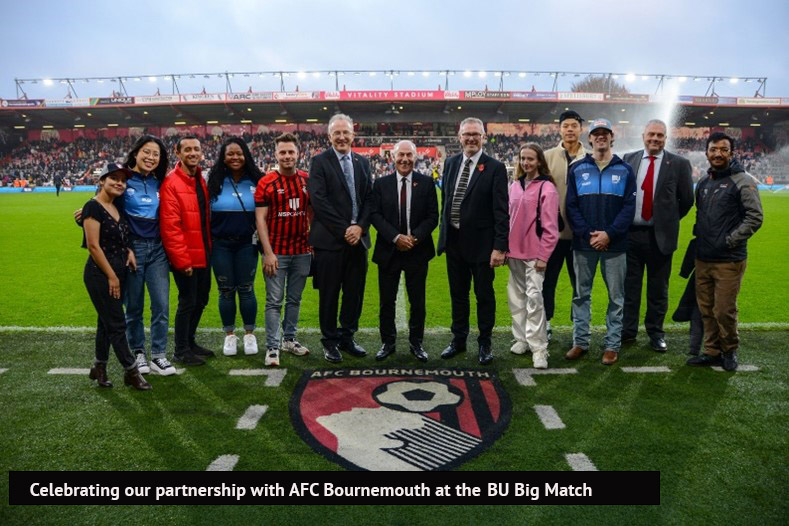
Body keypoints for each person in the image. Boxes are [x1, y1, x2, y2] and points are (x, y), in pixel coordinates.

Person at [75, 135, 176, 376]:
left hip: (158, 249)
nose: (151, 157)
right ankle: (138, 352)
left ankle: (159, 356)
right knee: (134, 305)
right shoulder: (124, 178)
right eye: (146, 152)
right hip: (132, 250)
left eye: (156, 154)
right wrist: (85, 215)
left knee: (161, 304)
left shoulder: (159, 181)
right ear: (136, 153)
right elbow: (103, 206)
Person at [687, 132, 763, 371]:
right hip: (703, 258)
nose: (717, 154)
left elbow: (755, 217)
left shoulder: (743, 180)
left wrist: (730, 240)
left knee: (724, 310)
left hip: (729, 260)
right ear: (707, 152)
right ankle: (711, 351)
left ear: (732, 153)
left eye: (723, 149)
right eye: (713, 149)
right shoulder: (704, 183)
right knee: (706, 308)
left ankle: (729, 350)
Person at [436, 117, 509, 365]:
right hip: (454, 243)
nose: (471, 139)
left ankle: (485, 342)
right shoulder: (451, 163)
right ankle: (458, 340)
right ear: (459, 137)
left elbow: (501, 211)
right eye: (466, 134)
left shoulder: (495, 167)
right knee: (458, 295)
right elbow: (446, 201)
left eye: (476, 135)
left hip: (482, 245)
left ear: (483, 138)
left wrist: (499, 247)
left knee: (484, 295)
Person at [564, 118, 636, 365]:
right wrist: (588, 234)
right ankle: (580, 342)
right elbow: (571, 207)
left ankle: (612, 345)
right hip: (584, 244)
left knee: (616, 297)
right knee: (581, 295)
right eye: (597, 133)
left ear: (611, 137)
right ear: (590, 138)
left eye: (605, 133)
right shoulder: (577, 169)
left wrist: (609, 234)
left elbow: (629, 208)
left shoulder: (625, 170)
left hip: (615, 245)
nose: (601, 137)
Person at [622, 120, 694, 352]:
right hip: (631, 235)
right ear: (643, 135)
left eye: (660, 135)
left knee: (658, 290)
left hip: (660, 238)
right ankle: (627, 331)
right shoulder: (628, 159)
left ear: (666, 138)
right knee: (629, 289)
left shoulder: (679, 164)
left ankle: (655, 333)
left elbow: (686, 201)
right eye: (651, 134)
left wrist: (666, 222)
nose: (655, 138)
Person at [307, 114, 373, 363]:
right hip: (330, 242)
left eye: (346, 132)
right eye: (337, 133)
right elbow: (319, 201)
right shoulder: (319, 162)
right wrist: (347, 229)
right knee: (330, 293)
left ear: (353, 135)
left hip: (359, 240)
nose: (342, 137)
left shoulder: (362, 162)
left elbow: (369, 198)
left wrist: (361, 227)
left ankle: (347, 337)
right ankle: (330, 341)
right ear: (329, 136)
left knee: (354, 293)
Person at [81, 163, 150, 390]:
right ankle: (131, 371)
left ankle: (99, 367)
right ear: (102, 181)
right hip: (101, 274)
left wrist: (129, 251)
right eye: (114, 178)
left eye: (122, 180)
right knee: (118, 324)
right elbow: (93, 246)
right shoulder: (93, 207)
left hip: (119, 271)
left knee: (106, 323)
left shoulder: (115, 207)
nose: (119, 183)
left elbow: (121, 238)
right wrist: (112, 276)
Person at [370, 140, 439, 362]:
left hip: (417, 251)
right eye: (401, 155)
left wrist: (414, 238)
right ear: (392, 157)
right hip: (388, 251)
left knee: (417, 301)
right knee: (386, 301)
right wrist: (396, 237)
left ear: (416, 157)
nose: (405, 159)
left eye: (409, 155)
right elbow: (375, 216)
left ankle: (416, 343)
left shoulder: (427, 183)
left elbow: (432, 217)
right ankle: (387, 343)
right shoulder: (381, 184)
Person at [255, 133, 313, 367]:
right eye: (283, 152)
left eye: (291, 152)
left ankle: (289, 339)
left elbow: (312, 212)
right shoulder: (266, 183)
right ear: (275, 154)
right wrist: (267, 253)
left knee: (295, 299)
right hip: (276, 252)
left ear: (298, 153)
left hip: (302, 251)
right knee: (274, 301)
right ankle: (272, 346)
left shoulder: (307, 180)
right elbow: (260, 220)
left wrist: (313, 243)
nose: (287, 156)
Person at [160, 136, 215, 366]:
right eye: (188, 149)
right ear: (178, 153)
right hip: (186, 258)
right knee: (187, 301)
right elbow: (171, 227)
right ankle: (180, 350)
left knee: (201, 300)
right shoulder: (171, 183)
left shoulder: (199, 179)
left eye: (197, 149)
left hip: (204, 253)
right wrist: (182, 261)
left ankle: (190, 342)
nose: (193, 153)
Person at [207, 138, 262, 357]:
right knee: (226, 290)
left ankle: (249, 334)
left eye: (239, 153)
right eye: (230, 154)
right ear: (223, 157)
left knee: (246, 289)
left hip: (247, 244)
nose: (235, 158)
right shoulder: (214, 181)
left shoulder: (257, 180)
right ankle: (229, 335)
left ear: (246, 155)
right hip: (220, 245)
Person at [507, 143, 559, 369]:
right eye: (522, 159)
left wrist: (544, 256)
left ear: (539, 161)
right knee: (517, 299)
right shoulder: (515, 186)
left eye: (530, 159)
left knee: (535, 300)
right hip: (514, 253)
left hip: (535, 254)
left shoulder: (547, 188)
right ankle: (522, 339)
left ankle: (539, 348)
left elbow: (551, 228)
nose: (525, 163)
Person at [543, 110, 587, 341]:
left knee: (580, 285)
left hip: (581, 235)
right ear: (559, 129)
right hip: (552, 235)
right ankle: (545, 324)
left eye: (574, 125)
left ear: (581, 129)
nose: (570, 129)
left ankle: (578, 328)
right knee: (547, 282)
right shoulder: (547, 157)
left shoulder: (590, 158)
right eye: (566, 125)